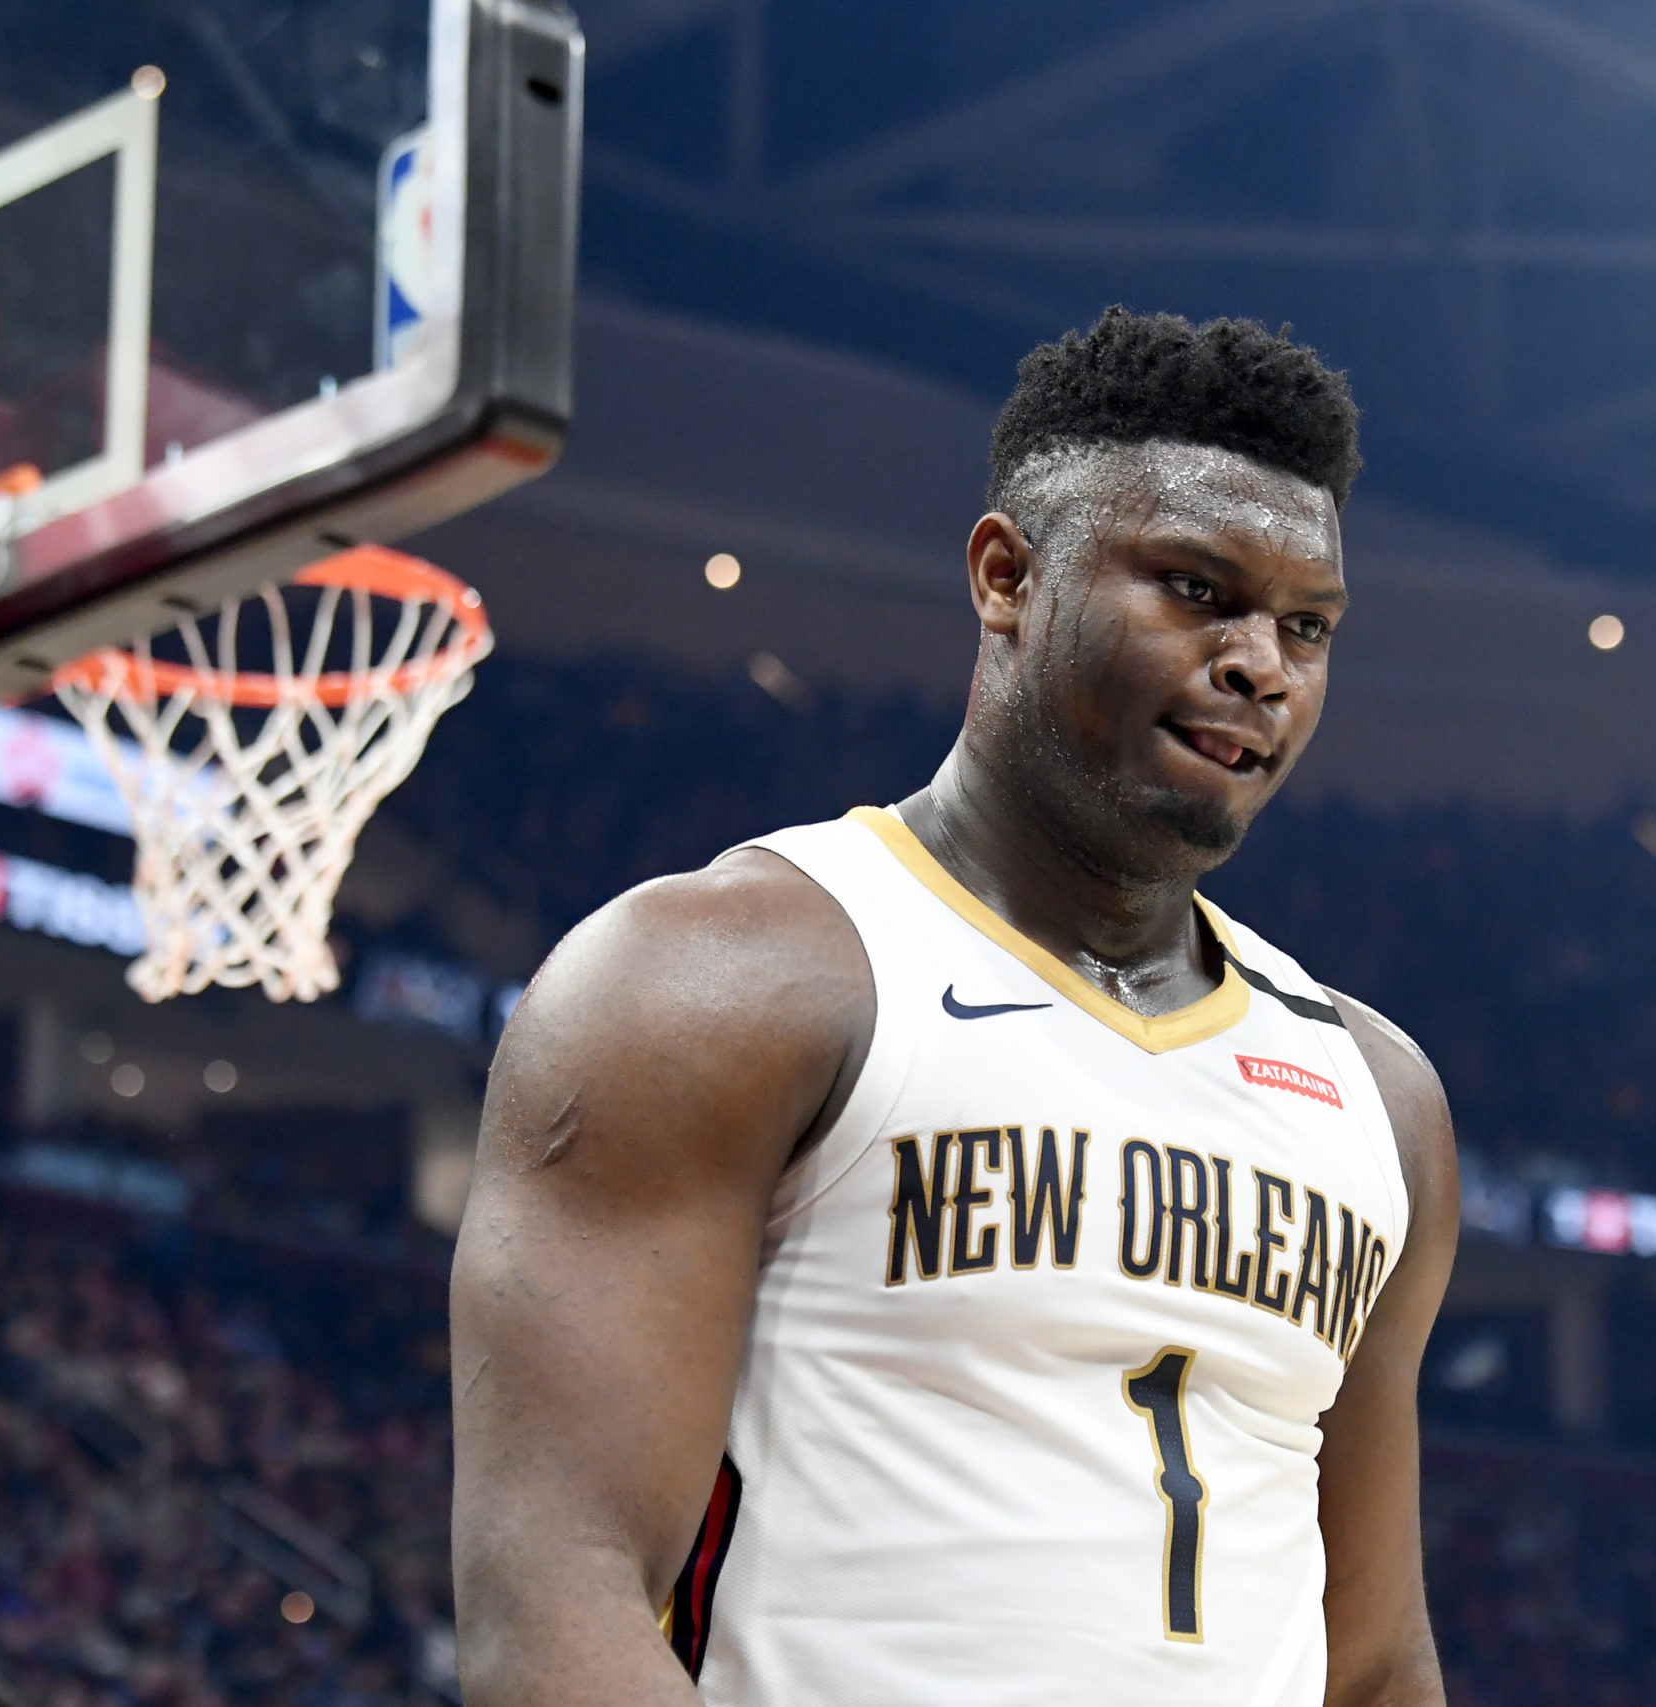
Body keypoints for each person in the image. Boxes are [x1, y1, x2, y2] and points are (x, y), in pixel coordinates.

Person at [451, 307, 1459, 1706]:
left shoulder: (1378, 1098)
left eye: (1306, 626)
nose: (1261, 665)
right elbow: (552, 1598)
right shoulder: (719, 981)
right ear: (1007, 575)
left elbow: (1380, 1662)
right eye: (1195, 588)